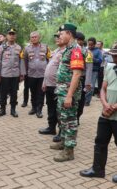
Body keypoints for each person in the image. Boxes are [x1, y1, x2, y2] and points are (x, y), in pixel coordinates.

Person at [80, 44, 117, 183]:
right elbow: (103, 88)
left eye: (116, 55)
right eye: (113, 54)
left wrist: (114, 106)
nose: (114, 57)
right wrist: (105, 104)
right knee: (100, 141)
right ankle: (97, 169)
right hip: (106, 113)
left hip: (115, 113)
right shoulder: (109, 67)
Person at [50, 23, 84, 162]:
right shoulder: (67, 49)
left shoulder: (76, 50)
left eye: (61, 33)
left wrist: (69, 95)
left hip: (68, 93)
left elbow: (76, 74)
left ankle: (69, 151)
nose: (59, 36)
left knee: (69, 120)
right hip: (62, 91)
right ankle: (64, 142)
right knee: (63, 119)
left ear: (69, 34)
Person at [39, 33, 66, 135]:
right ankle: (51, 128)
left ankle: (61, 132)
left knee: (59, 110)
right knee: (51, 108)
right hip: (49, 85)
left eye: (59, 37)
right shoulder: (56, 51)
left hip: (58, 86)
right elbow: (49, 67)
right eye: (56, 37)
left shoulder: (66, 52)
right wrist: (44, 82)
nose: (57, 39)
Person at [0, 28, 25, 118]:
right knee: (3, 93)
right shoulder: (2, 47)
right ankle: (3, 109)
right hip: (4, 74)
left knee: (14, 93)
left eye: (13, 34)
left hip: (15, 75)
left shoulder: (19, 48)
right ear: (7, 36)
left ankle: (13, 109)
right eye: (10, 34)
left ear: (15, 36)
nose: (11, 36)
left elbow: (21, 61)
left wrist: (22, 74)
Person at [24, 31, 51, 118]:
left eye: (35, 37)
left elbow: (49, 60)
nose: (34, 38)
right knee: (33, 92)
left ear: (39, 38)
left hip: (42, 74)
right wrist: (25, 72)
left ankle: (39, 110)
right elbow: (25, 61)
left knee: (41, 92)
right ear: (30, 38)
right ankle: (33, 108)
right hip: (31, 74)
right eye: (32, 37)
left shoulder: (45, 47)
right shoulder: (27, 48)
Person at [76, 32, 93, 125]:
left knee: (80, 100)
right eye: (76, 40)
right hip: (70, 80)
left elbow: (89, 68)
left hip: (81, 79)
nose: (78, 42)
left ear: (83, 41)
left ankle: (78, 116)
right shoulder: (71, 50)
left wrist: (88, 83)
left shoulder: (88, 53)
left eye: (79, 40)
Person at [85, 37, 102, 106]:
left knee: (90, 86)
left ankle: (87, 101)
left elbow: (100, 61)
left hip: (93, 71)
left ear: (94, 44)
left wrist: (93, 58)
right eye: (89, 44)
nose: (90, 46)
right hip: (85, 70)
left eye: (91, 44)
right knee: (84, 85)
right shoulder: (86, 50)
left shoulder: (98, 51)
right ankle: (83, 99)